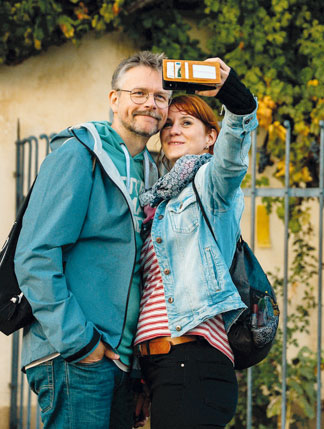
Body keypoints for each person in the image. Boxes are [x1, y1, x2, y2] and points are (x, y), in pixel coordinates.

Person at [14, 50, 171, 429]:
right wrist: (80, 343)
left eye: (161, 97)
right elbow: (36, 255)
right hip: (76, 355)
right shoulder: (79, 154)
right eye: (139, 93)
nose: (151, 103)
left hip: (120, 361)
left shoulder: (152, 172)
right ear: (114, 99)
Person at [131, 58, 258, 428]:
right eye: (168, 123)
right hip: (157, 366)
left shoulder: (212, 186)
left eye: (187, 123)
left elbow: (234, 154)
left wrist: (233, 93)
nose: (173, 129)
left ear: (211, 137)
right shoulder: (155, 200)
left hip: (193, 362)